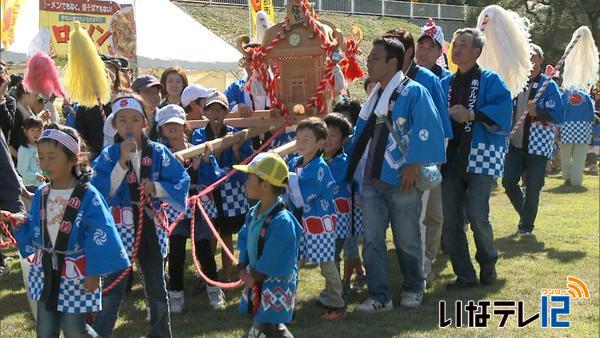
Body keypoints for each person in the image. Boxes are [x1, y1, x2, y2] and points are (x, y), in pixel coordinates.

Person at [3, 124, 130, 338]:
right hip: (45, 271)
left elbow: (100, 233)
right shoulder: (42, 193)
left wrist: (94, 271)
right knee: (45, 329)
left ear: (73, 158)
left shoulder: (88, 196)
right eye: (41, 157)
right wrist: (20, 221)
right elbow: (36, 224)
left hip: (76, 273)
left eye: (52, 157)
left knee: (74, 330)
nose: (45, 163)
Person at [347, 37, 445, 312]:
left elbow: (428, 128)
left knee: (407, 239)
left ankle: (415, 286)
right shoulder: (375, 95)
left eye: (374, 57)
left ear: (393, 61)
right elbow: (361, 137)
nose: (368, 62)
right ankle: (379, 296)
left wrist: (414, 164)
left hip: (402, 178)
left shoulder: (415, 92)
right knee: (373, 240)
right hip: (371, 180)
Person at [91, 93, 190, 338]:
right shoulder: (108, 155)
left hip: (149, 220)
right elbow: (99, 189)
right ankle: (101, 332)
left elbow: (181, 180)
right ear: (113, 125)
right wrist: (122, 162)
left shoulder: (158, 152)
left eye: (135, 119)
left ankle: (161, 332)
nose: (128, 125)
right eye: (122, 120)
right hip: (119, 223)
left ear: (145, 122)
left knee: (155, 281)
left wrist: (156, 188)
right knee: (114, 282)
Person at [440, 28, 512, 289]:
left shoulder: (491, 80)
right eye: (455, 44)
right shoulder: (445, 83)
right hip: (449, 158)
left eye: (463, 44)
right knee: (451, 220)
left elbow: (504, 110)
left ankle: (488, 260)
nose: (456, 48)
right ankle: (465, 275)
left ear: (477, 52)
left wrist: (472, 114)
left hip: (481, 155)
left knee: (477, 214)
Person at [383, 27, 453, 286]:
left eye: (429, 47)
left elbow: (440, 126)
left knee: (428, 214)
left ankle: (424, 265)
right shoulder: (385, 80)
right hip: (392, 162)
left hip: (424, 158)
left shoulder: (427, 80)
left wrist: (430, 161)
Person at [156, 104, 225, 312]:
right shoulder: (160, 154)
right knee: (176, 252)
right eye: (167, 125)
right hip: (175, 207)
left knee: (204, 250)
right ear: (161, 129)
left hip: (198, 206)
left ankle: (214, 290)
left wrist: (203, 163)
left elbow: (214, 178)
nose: (172, 128)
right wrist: (188, 169)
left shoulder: (198, 147)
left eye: (176, 124)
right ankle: (175, 294)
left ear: (183, 125)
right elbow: (163, 181)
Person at [235, 152, 301, 338]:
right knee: (270, 324)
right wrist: (242, 265)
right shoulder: (253, 213)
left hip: (274, 282)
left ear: (264, 185)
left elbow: (276, 254)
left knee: (264, 325)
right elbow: (244, 238)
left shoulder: (282, 221)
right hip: (257, 278)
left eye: (250, 178)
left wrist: (255, 275)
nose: (246, 182)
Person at [287, 117, 346, 319]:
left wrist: (286, 179)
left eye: (306, 139)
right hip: (299, 221)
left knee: (327, 264)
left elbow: (300, 196)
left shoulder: (319, 167)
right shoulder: (295, 162)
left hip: (318, 223)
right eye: (298, 139)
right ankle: (287, 304)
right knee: (294, 263)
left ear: (320, 143)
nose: (300, 144)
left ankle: (337, 304)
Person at [502, 44, 564, 236]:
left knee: (532, 186)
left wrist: (539, 112)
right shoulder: (515, 84)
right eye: (526, 57)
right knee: (508, 181)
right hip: (515, 143)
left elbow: (559, 115)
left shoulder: (548, 85)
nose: (530, 61)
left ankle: (526, 226)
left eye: (534, 57)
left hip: (538, 145)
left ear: (540, 60)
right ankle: (526, 214)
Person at [191, 91, 252, 283]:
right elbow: (198, 162)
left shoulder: (237, 134)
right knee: (209, 235)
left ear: (226, 113)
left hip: (231, 191)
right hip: (208, 189)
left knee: (226, 235)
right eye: (212, 109)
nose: (216, 113)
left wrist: (235, 151)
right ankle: (208, 275)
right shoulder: (199, 134)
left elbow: (246, 165)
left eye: (220, 109)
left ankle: (226, 275)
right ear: (206, 113)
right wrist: (209, 159)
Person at [323, 113, 365, 299]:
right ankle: (336, 286)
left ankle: (343, 284)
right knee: (330, 255)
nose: (327, 139)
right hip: (326, 217)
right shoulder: (318, 159)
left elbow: (329, 182)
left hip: (344, 217)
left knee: (345, 251)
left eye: (333, 135)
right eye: (325, 134)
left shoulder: (343, 162)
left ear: (344, 139)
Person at [560, 88, 596, 186]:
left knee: (565, 155)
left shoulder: (563, 95)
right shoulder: (586, 96)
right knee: (579, 156)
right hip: (584, 127)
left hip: (566, 127)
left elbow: (558, 111)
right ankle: (576, 181)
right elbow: (592, 115)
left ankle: (567, 177)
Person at [17, 116, 44, 194]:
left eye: (39, 130)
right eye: (32, 130)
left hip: (41, 184)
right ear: (25, 131)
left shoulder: (39, 146)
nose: (36, 133)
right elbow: (21, 169)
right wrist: (35, 176)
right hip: (30, 186)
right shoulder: (24, 149)